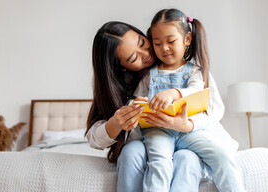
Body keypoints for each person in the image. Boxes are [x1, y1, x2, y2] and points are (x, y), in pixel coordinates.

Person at [86, 21, 239, 192]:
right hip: (151, 138)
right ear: (121, 67)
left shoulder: (191, 70)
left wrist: (185, 123)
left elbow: (212, 111)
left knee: (186, 158)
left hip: (188, 136)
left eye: (143, 43)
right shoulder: (130, 84)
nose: (146, 54)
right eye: (134, 58)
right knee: (132, 151)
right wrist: (116, 122)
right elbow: (94, 138)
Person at [134, 8, 245, 192]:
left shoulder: (196, 71)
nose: (165, 48)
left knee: (221, 155)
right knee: (159, 164)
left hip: (188, 130)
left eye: (171, 41)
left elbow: (197, 90)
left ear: (187, 40)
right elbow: (138, 102)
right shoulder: (148, 75)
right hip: (158, 129)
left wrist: (173, 93)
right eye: (157, 43)